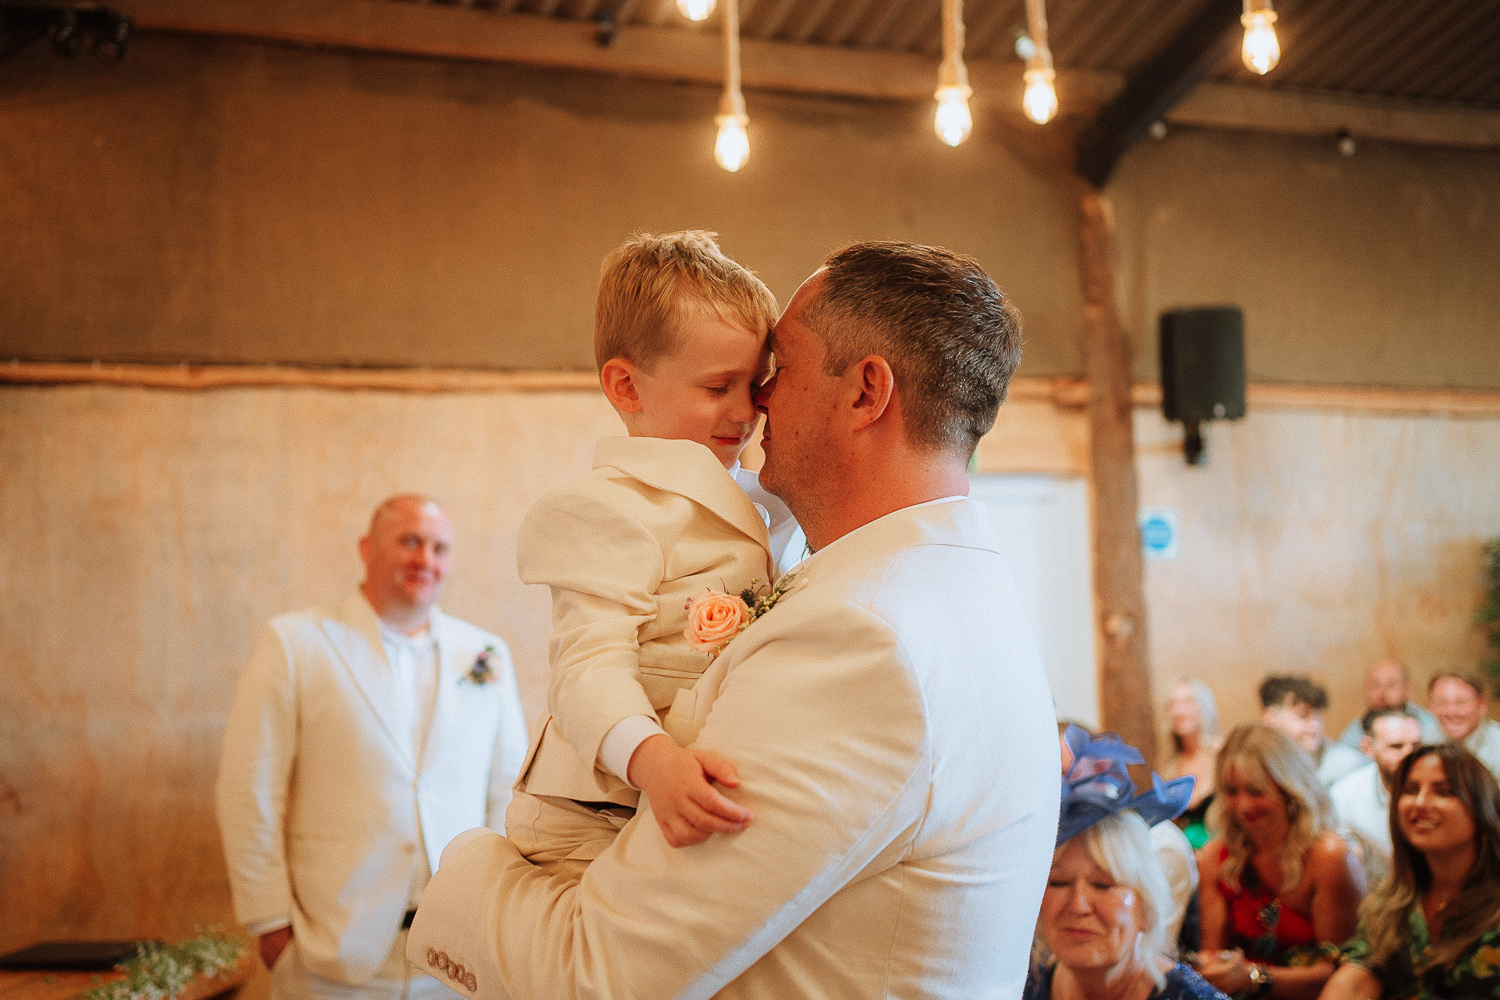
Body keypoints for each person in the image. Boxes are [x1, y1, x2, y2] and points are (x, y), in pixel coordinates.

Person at [408, 241, 1061, 998]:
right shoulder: (968, 593)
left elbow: (599, 976)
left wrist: (462, 873)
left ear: (865, 393)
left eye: (777, 369)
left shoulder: (861, 642)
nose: (758, 403)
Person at [505, 230, 803, 868]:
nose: (744, 412)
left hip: (687, 793)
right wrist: (656, 763)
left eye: (754, 385)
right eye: (716, 386)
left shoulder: (767, 499)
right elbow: (587, 671)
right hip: (594, 814)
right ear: (626, 388)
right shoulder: (606, 508)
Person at [216, 495, 530, 999]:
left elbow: (509, 788)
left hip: (458, 956)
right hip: (331, 952)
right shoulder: (296, 643)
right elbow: (250, 788)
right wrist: (268, 919)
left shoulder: (485, 654)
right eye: (409, 541)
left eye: (439, 548)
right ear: (367, 548)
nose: (425, 559)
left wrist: (498, 913)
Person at [1026, 727, 1223, 1000]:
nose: (1079, 905)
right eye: (1058, 882)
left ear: (1147, 907)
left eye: (1103, 884)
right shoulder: (1019, 987)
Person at [1193, 725, 1366, 999]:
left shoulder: (1329, 857)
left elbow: (1345, 973)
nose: (1243, 806)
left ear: (1289, 789)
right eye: (1232, 791)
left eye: (1256, 792)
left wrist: (1253, 977)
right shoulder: (1216, 856)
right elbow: (1213, 955)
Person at [1321, 744, 1500, 999]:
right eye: (1410, 790)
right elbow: (1357, 975)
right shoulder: (1393, 900)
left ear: (1484, 810)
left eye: (1444, 792)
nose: (1420, 803)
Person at [1329, 708, 1424, 887]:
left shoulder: (1446, 789)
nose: (1409, 755)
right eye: (1396, 746)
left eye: (1417, 746)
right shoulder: (1344, 796)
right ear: (1367, 747)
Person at [1259, 675, 1367, 788]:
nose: (1315, 727)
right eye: (1303, 716)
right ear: (1270, 718)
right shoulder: (1257, 762)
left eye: (1318, 716)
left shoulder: (1345, 765)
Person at [1164, 679, 1225, 849]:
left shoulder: (1222, 753)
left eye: (1188, 702)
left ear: (1205, 707)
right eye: (1172, 704)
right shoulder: (1170, 765)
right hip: (1186, 854)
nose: (1179, 710)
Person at [1334, 659, 1443, 751]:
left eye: (1391, 685)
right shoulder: (1357, 728)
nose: (1382, 693)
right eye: (1375, 685)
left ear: (1408, 689)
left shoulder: (1427, 725)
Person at [1428, 671, 1500, 778]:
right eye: (1442, 702)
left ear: (1481, 705)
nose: (1451, 712)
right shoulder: (1423, 741)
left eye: (1461, 702)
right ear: (1430, 706)